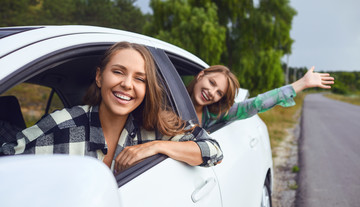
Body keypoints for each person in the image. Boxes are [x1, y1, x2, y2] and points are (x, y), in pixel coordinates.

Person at [1, 42, 223, 172]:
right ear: (99, 77)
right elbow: (8, 159)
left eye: (140, 79)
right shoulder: (62, 125)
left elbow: (213, 150)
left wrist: (155, 147)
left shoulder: (154, 128)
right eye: (118, 72)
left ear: (147, 89)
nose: (127, 84)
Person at [186, 65, 334, 129]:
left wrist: (302, 83)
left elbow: (256, 104)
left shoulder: (216, 115)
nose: (211, 92)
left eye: (219, 93)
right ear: (200, 75)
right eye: (211, 83)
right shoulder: (167, 101)